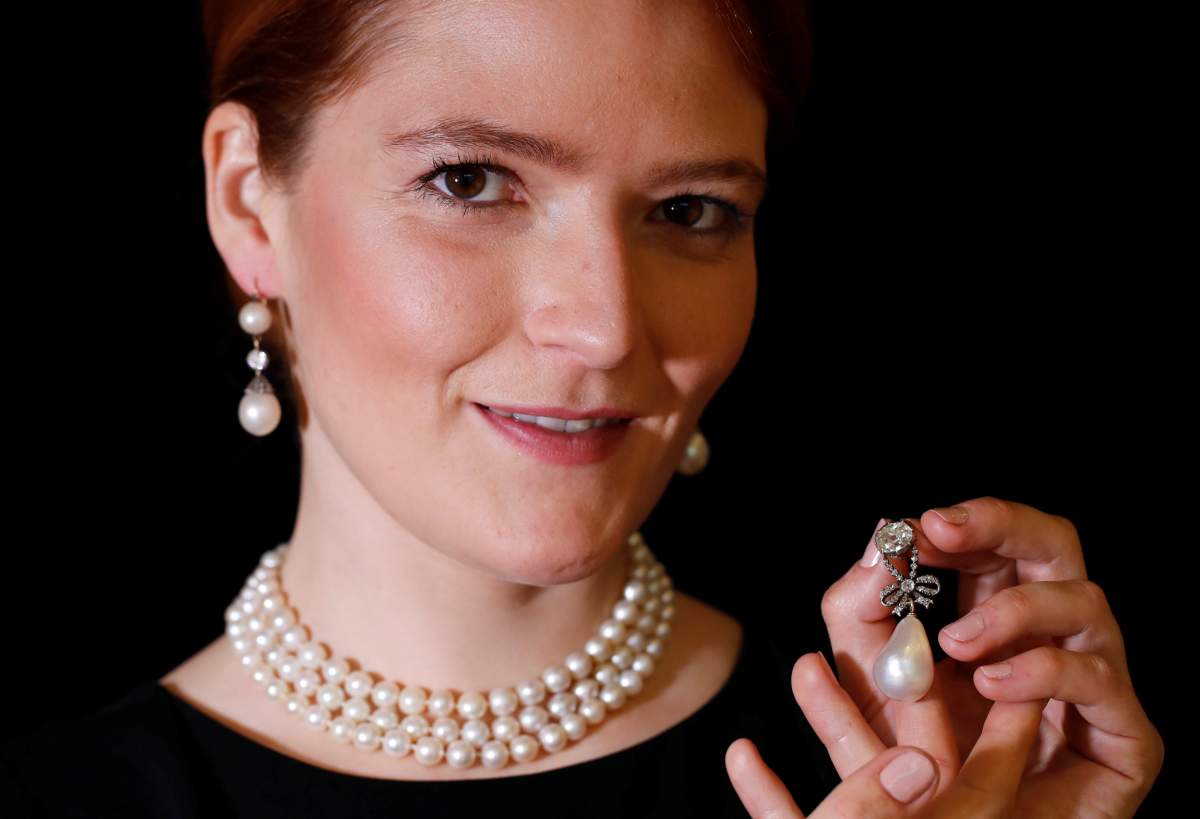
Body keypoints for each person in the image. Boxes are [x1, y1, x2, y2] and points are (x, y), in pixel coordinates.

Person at [0, 1, 1164, 817]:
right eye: (470, 182)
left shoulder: (907, 767)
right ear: (250, 206)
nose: (608, 328)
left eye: (692, 211)